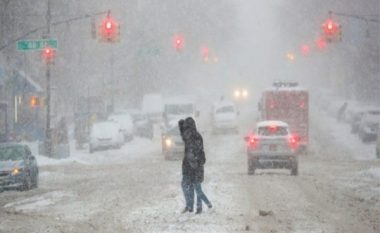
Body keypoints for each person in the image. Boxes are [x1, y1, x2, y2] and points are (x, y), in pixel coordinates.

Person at [182, 117, 212, 214]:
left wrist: (194, 164)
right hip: (191, 167)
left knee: (197, 188)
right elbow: (188, 154)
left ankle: (203, 205)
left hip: (195, 167)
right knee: (193, 187)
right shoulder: (190, 137)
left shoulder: (195, 137)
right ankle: (193, 206)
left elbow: (197, 153)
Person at [179, 119, 194, 213]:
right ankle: (189, 205)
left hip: (190, 167)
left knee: (187, 185)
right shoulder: (189, 137)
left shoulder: (193, 138)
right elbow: (183, 137)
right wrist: (181, 127)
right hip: (187, 167)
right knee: (186, 185)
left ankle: (190, 205)